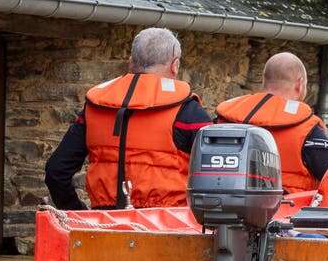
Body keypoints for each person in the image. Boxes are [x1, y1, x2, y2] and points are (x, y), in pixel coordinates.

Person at [44, 27, 213, 210]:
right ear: (175, 65)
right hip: (168, 227)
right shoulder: (189, 111)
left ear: (131, 62)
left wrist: (79, 213)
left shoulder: (95, 106)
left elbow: (56, 171)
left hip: (105, 226)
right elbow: (215, 181)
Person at [216, 52, 328, 194]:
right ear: (300, 84)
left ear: (264, 80)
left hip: (225, 207)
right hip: (287, 212)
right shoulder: (307, 129)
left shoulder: (226, 117)